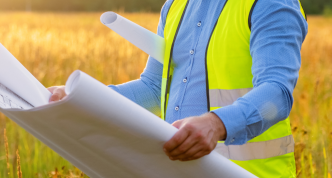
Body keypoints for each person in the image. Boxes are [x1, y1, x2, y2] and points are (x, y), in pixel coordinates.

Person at [48, 0, 308, 177]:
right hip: (178, 170)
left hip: (250, 173)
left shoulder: (271, 3)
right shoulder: (175, 5)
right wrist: (81, 99)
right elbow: (153, 86)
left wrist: (216, 124)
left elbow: (277, 92)